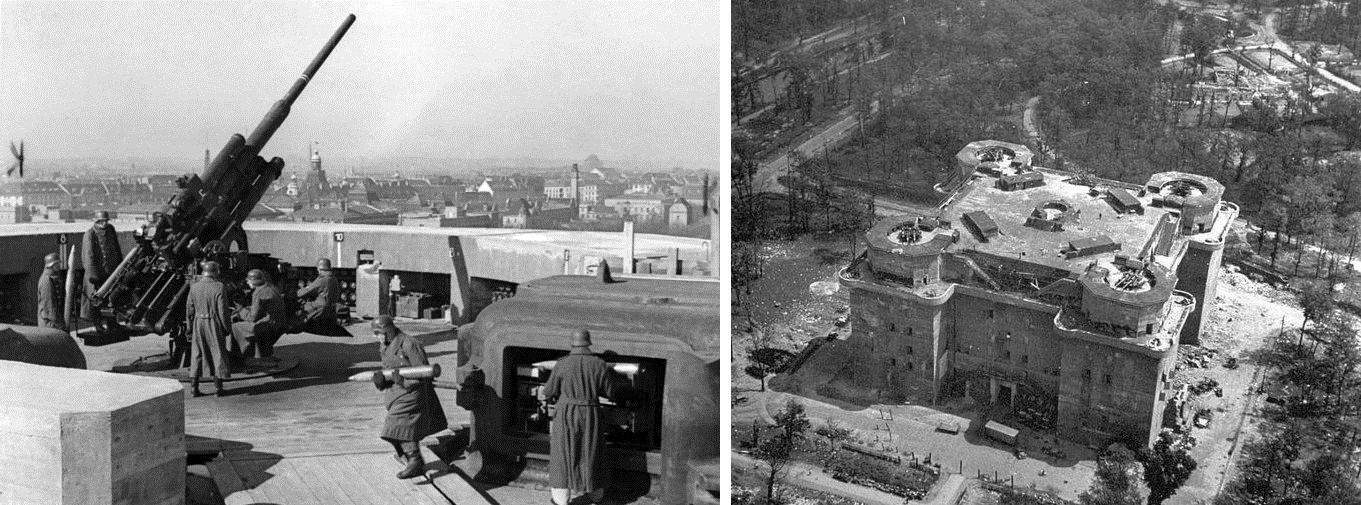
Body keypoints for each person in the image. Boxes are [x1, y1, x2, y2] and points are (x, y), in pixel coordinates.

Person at [541, 329, 616, 505]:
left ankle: (561, 499)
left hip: (566, 413)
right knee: (592, 451)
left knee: (562, 453)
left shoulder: (562, 364)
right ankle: (595, 494)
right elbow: (610, 392)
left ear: (572, 344)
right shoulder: (599, 364)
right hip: (591, 413)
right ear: (589, 343)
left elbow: (549, 391)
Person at [370, 315, 447, 479]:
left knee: (396, 425)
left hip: (413, 394)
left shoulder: (409, 344)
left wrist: (403, 381)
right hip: (397, 394)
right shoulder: (385, 345)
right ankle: (407, 457)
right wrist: (381, 381)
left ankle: (415, 461)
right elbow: (388, 369)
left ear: (388, 330)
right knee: (396, 429)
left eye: (378, 332)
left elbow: (424, 373)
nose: (376, 336)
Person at [187, 261, 232, 397]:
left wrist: (190, 328)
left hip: (198, 322)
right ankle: (218, 389)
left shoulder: (194, 287)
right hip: (213, 323)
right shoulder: (219, 287)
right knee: (217, 352)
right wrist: (226, 328)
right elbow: (223, 311)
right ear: (216, 272)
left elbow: (189, 309)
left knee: (197, 354)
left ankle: (194, 388)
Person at [81, 210, 122, 333]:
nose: (104, 224)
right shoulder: (90, 234)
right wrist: (93, 276)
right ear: (96, 221)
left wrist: (120, 267)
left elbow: (116, 249)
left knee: (112, 299)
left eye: (105, 221)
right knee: (96, 301)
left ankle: (112, 323)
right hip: (97, 274)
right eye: (101, 221)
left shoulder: (111, 230)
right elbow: (89, 256)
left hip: (111, 272)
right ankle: (97, 324)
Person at [232, 269, 286, 360]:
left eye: (249, 280)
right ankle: (263, 354)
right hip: (279, 322)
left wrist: (240, 310)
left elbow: (252, 318)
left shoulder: (258, 292)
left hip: (269, 324)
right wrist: (247, 309)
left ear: (254, 281)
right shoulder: (271, 287)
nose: (248, 282)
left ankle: (241, 356)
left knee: (235, 327)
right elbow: (263, 308)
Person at [298, 258, 339, 326]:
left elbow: (307, 291)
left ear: (319, 268)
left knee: (299, 308)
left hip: (320, 308)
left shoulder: (323, 279)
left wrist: (295, 293)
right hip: (332, 309)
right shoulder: (333, 279)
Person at [36, 253, 65, 330]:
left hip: (54, 322)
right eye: (57, 264)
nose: (59, 265)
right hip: (49, 324)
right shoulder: (46, 280)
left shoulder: (53, 278)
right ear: (51, 265)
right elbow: (49, 305)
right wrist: (58, 324)